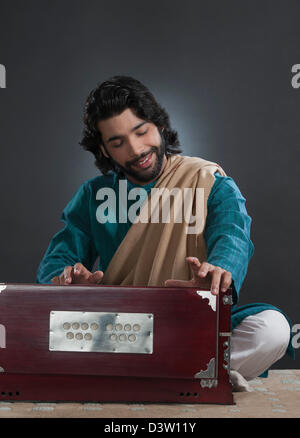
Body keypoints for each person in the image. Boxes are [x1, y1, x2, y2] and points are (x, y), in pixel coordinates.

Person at [36, 75, 294, 391]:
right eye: (117, 143)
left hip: (190, 323)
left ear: (158, 125)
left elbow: (232, 235)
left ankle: (159, 373)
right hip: (119, 328)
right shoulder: (93, 195)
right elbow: (59, 258)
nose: (136, 149)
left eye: (141, 131)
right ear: (103, 150)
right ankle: (197, 372)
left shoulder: (207, 181)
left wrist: (218, 272)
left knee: (273, 329)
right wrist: (65, 283)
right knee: (48, 328)